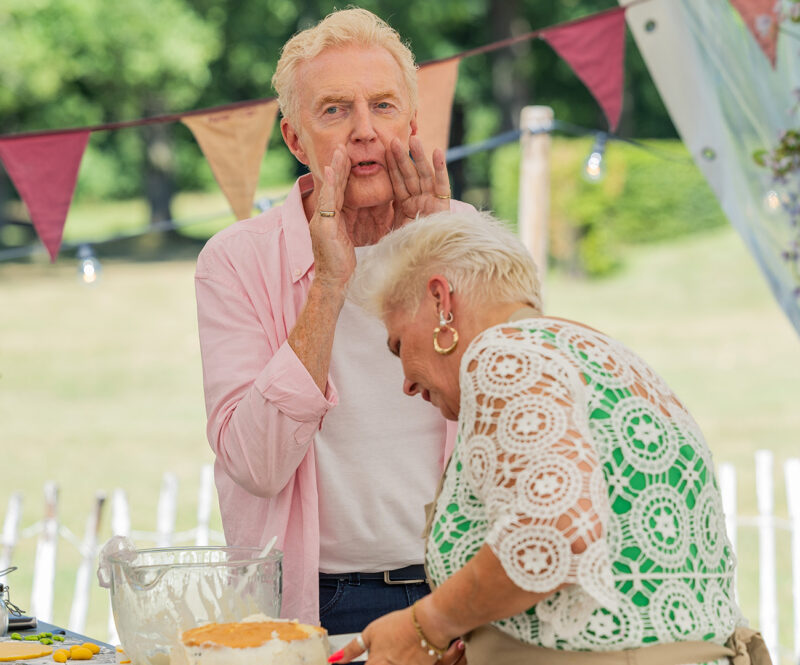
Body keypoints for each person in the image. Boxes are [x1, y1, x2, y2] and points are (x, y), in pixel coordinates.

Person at [336, 209, 768, 665]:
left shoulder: (504, 353)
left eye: (399, 345)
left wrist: (424, 626)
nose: (405, 381)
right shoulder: (606, 356)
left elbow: (554, 531)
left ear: (442, 302)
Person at [194, 7, 472, 644]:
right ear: (296, 140)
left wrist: (440, 251)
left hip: (464, 589)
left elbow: (523, 415)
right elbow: (256, 466)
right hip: (318, 603)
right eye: (335, 111)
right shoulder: (235, 261)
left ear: (413, 122)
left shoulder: (472, 238)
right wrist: (328, 284)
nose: (365, 132)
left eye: (382, 106)